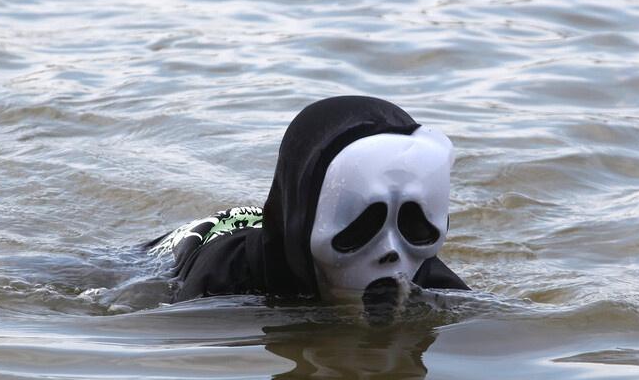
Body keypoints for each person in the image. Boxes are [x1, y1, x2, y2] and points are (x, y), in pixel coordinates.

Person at [147, 95, 468, 304]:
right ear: (301, 219)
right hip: (188, 245)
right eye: (361, 229)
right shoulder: (218, 284)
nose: (391, 253)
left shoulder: (429, 280)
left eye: (414, 229)